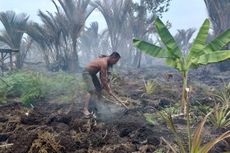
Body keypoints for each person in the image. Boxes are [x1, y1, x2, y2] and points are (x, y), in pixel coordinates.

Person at [82, 52, 121, 117]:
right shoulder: (104, 63)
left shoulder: (106, 60)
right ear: (112, 58)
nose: (116, 63)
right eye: (116, 61)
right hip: (87, 73)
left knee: (99, 89)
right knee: (91, 90)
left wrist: (106, 87)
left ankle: (99, 105)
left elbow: (102, 77)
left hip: (92, 74)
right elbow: (103, 79)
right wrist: (108, 90)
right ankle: (85, 109)